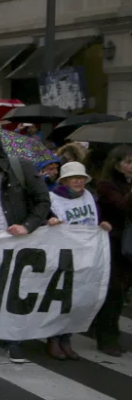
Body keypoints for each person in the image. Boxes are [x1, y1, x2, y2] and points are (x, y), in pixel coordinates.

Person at [0, 131, 51, 363]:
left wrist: (28, 226)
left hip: (14, 243)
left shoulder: (21, 169)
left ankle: (11, 339)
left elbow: (42, 201)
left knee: (12, 291)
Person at [45, 161, 109, 360]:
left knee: (77, 299)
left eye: (81, 178)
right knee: (60, 299)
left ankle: (66, 338)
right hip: (63, 256)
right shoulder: (52, 199)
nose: (79, 181)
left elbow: (95, 219)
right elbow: (44, 221)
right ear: (64, 181)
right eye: (74, 178)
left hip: (85, 256)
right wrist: (50, 221)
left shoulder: (89, 197)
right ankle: (53, 339)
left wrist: (103, 225)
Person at [94, 145, 132, 357]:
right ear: (116, 165)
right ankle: (107, 337)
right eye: (128, 162)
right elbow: (122, 206)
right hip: (113, 244)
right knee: (113, 292)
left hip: (128, 245)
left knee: (121, 292)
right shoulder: (106, 185)